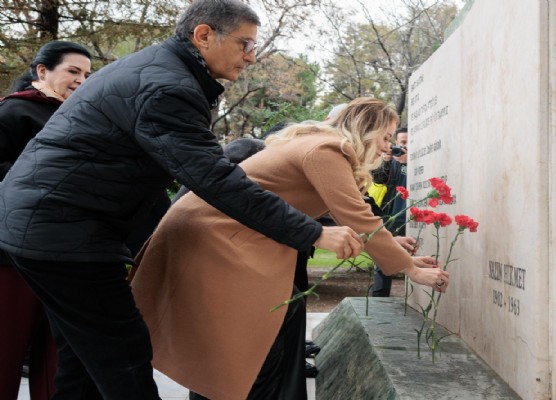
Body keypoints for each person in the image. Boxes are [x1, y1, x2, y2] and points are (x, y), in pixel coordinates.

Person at [0, 1, 362, 398]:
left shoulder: (162, 70)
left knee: (84, 360)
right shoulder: (168, 86)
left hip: (47, 226)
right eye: (244, 44)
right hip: (62, 232)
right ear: (204, 35)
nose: (252, 56)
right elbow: (215, 180)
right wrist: (311, 232)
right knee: (124, 357)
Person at [130, 97, 450, 400]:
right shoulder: (327, 149)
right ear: (365, 128)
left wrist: (395, 249)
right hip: (215, 239)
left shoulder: (315, 144)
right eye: (385, 136)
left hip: (217, 237)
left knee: (244, 346)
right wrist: (410, 270)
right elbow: (357, 216)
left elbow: (332, 211)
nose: (388, 146)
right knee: (249, 348)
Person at [0, 40, 92, 400]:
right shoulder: (13, 113)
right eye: (73, 71)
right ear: (42, 71)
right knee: (6, 347)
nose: (81, 81)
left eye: (86, 75)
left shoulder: (80, 118)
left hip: (66, 254)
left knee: (57, 360)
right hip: (12, 256)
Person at [371, 127, 410, 297]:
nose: (404, 147)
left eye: (409, 143)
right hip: (391, 217)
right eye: (402, 142)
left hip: (412, 218)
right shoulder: (390, 161)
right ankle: (379, 297)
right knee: (383, 259)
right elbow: (378, 179)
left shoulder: (420, 162)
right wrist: (386, 160)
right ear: (396, 143)